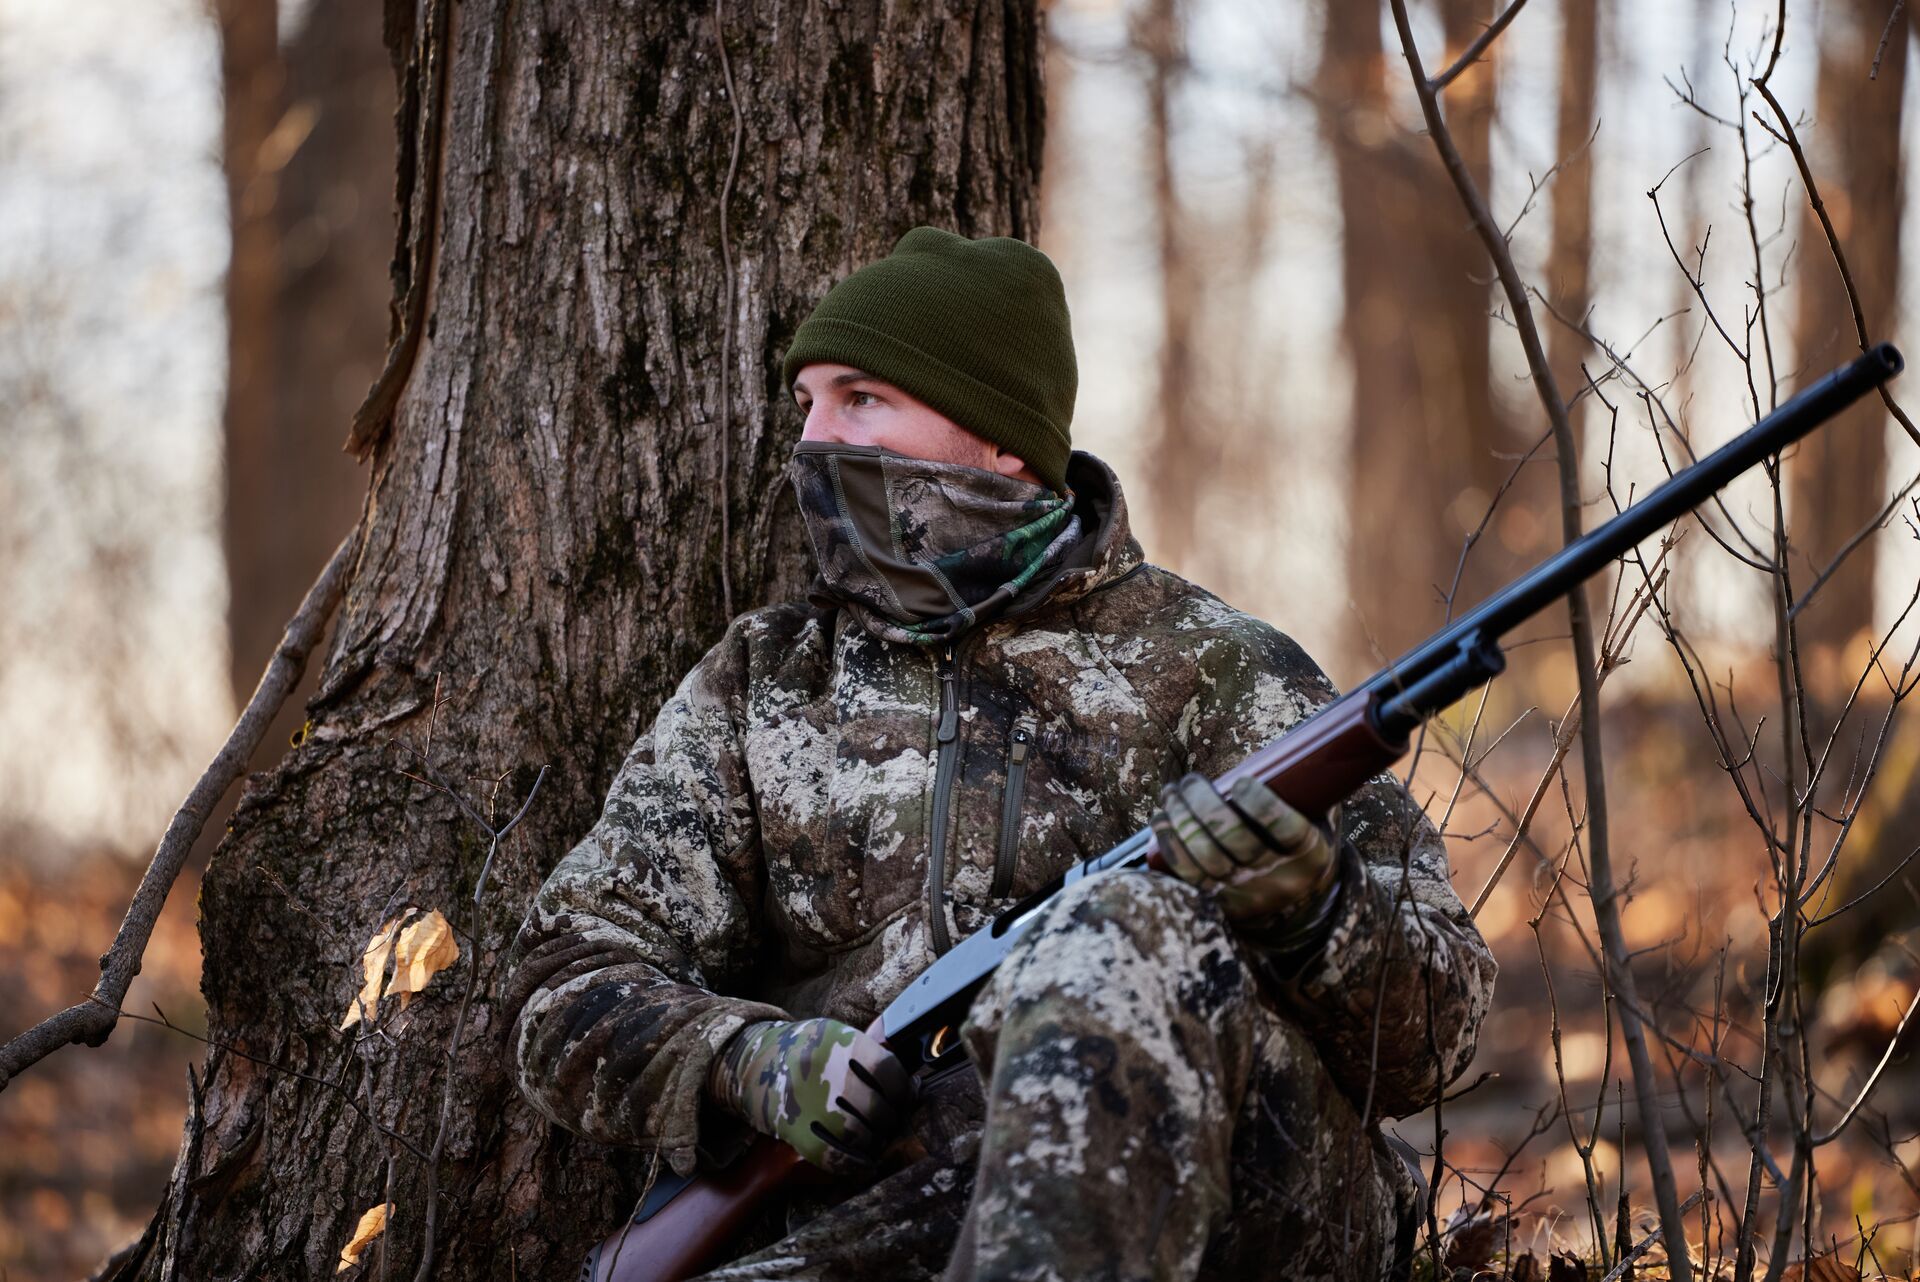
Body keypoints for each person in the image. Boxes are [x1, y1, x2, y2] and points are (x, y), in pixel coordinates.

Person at [503, 227, 1496, 1282]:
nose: (812, 440)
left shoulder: (1217, 669)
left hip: (1228, 1201)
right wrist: (750, 1058)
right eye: (810, 406)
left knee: (1122, 923)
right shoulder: (764, 680)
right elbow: (568, 976)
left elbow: (1440, 1043)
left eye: (860, 399)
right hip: (886, 1221)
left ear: (997, 436)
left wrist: (1320, 911)